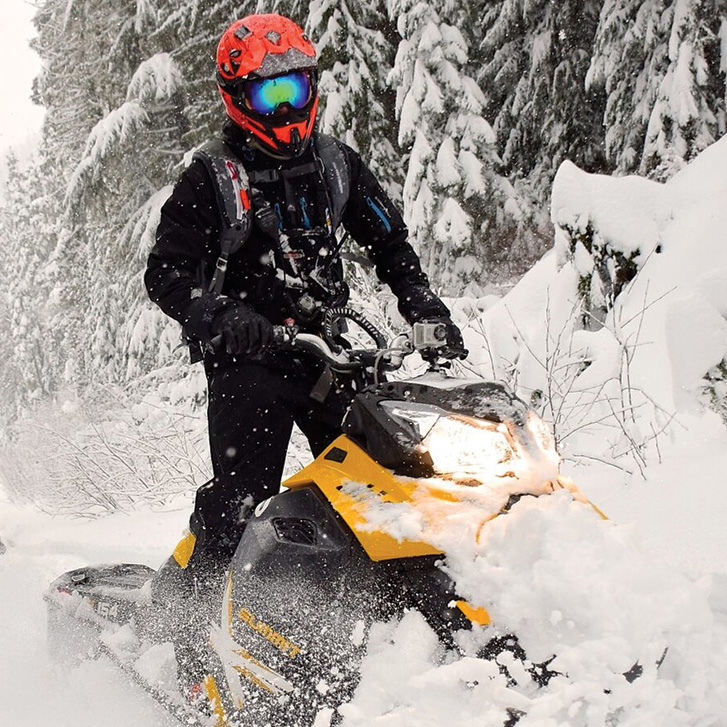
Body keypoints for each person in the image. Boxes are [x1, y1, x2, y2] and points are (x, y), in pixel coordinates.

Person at [144, 13, 464, 681]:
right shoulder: (211, 176)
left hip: (327, 356)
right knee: (242, 498)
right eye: (271, 95)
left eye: (296, 89)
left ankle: (410, 625)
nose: (288, 107)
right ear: (238, 97)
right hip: (248, 364)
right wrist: (222, 315)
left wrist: (425, 308)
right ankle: (192, 628)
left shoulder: (334, 163)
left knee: (385, 483)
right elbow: (167, 272)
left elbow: (389, 244)